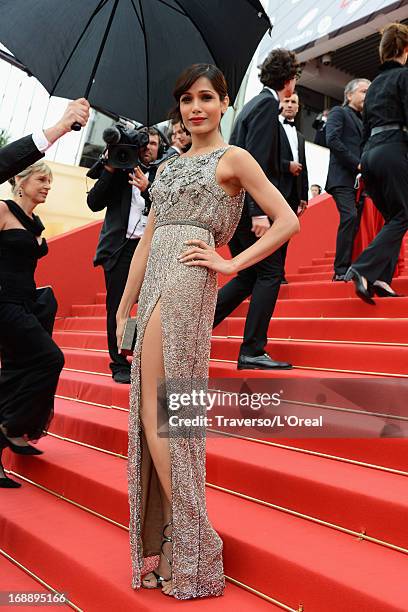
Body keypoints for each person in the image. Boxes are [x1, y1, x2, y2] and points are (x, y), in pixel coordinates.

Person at [115, 63, 298, 599]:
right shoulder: (169, 168)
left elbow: (287, 219)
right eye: (187, 100)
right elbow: (148, 239)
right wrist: (125, 302)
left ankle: (196, 537)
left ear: (224, 103)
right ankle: (184, 538)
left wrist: (230, 263)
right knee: (164, 413)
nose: (196, 108)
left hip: (191, 279)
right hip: (154, 284)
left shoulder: (234, 158)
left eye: (206, 98)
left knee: (160, 408)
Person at [0, 99, 89, 489]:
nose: (48, 186)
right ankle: (7, 425)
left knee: (20, 369)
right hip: (3, 304)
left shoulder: (34, 222)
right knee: (49, 359)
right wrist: (60, 126)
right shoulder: (2, 210)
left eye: (50, 182)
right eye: (41, 180)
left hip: (26, 303)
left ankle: (13, 434)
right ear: (20, 181)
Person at [213, 48, 301, 370]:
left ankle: (193, 330)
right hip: (252, 212)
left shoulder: (254, 105)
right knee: (271, 273)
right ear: (289, 81)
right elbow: (256, 165)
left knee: (249, 275)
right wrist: (258, 212)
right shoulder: (266, 107)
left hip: (239, 209)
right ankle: (252, 350)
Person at [87, 128, 162, 383]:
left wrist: (147, 189)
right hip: (120, 249)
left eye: (154, 143)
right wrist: (109, 167)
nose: (149, 147)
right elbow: (94, 203)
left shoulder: (164, 174)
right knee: (120, 307)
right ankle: (120, 361)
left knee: (151, 307)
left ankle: (141, 354)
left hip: (152, 248)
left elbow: (169, 210)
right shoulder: (119, 170)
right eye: (145, 142)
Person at [344, 23, 408, 303]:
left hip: (369, 156)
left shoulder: (375, 84)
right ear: (406, 50)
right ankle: (362, 268)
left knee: (395, 216)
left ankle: (381, 277)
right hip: (393, 150)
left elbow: (365, 127)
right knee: (405, 215)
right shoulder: (404, 77)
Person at [325, 78, 370, 281]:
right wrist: (357, 163)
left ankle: (352, 265)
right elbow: (332, 139)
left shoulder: (363, 120)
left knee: (357, 222)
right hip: (341, 178)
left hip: (359, 182)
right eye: (363, 91)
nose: (367, 96)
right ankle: (340, 270)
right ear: (349, 95)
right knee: (350, 217)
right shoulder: (338, 112)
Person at [278, 91, 309, 282]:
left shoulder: (300, 136)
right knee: (273, 232)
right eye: (287, 101)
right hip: (276, 187)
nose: (290, 105)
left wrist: (303, 196)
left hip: (294, 192)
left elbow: (304, 166)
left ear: (298, 108)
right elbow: (266, 158)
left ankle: (279, 273)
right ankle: (273, 273)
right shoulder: (272, 128)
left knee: (286, 234)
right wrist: (286, 165)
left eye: (293, 102)